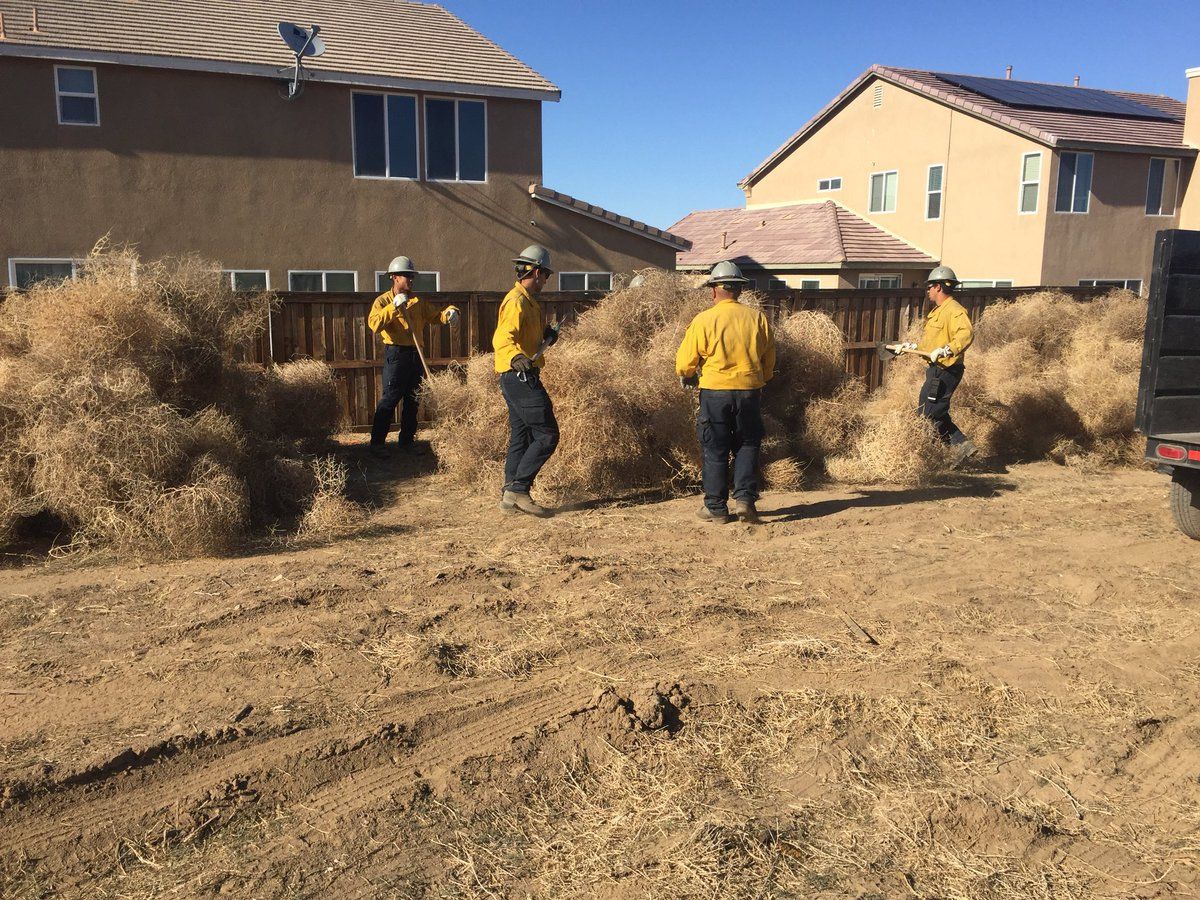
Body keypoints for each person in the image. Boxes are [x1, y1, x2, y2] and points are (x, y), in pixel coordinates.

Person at [676, 260, 776, 524]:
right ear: (739, 290)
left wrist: (687, 376)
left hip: (714, 392)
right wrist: (760, 379)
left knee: (716, 448)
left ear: (713, 290)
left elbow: (686, 362)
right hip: (749, 392)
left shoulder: (704, 320)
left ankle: (716, 508)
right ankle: (745, 501)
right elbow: (769, 359)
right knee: (747, 444)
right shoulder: (757, 318)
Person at [367, 256, 460, 457]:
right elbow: (374, 324)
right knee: (390, 399)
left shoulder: (418, 302)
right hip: (396, 354)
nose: (410, 279)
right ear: (394, 277)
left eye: (412, 276)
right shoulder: (382, 301)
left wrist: (451, 312)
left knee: (413, 400)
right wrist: (393, 307)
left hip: (415, 355)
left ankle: (407, 442)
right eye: (407, 276)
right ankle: (377, 444)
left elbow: (437, 316)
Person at [493, 244, 561, 518]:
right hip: (518, 376)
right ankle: (520, 489)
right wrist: (514, 357)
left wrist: (546, 336)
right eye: (545, 275)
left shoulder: (529, 302)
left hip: (517, 376)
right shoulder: (516, 301)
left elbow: (525, 336)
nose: (545, 281)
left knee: (521, 436)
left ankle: (509, 496)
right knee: (547, 434)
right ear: (534, 271)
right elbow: (502, 338)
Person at [898, 265, 977, 463]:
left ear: (939, 287)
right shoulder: (938, 312)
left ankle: (961, 446)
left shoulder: (955, 311)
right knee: (929, 410)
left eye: (930, 286)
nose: (928, 291)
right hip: (935, 370)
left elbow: (966, 334)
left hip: (947, 370)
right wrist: (911, 346)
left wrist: (947, 350)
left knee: (931, 412)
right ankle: (956, 451)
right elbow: (931, 344)